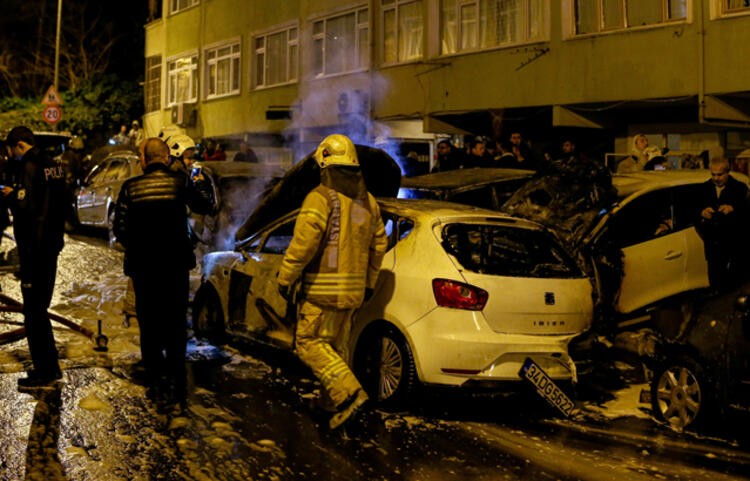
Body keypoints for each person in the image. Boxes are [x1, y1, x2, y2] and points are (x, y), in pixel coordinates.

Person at [277, 133, 387, 430]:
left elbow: (304, 244)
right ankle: (331, 403)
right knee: (336, 350)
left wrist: (285, 278)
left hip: (322, 292)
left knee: (310, 344)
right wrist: (368, 284)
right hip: (353, 293)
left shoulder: (320, 198)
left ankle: (351, 396)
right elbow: (379, 245)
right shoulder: (369, 203)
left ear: (325, 166)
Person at [113, 138, 214, 409]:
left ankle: (156, 383)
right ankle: (178, 384)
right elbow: (206, 205)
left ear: (145, 159)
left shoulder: (130, 188)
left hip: (144, 268)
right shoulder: (181, 183)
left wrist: (140, 247)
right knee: (175, 322)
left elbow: (120, 229)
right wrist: (201, 181)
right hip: (175, 265)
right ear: (167, 158)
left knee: (149, 324)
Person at [3, 126, 67, 388]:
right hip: (51, 246)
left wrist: (11, 196)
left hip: (34, 248)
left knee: (33, 312)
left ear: (19, 146)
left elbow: (28, 206)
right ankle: (50, 367)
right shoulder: (55, 165)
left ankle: (46, 370)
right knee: (40, 308)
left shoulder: (30, 167)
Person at [696, 156, 749, 292]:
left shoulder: (740, 188)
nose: (716, 178)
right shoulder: (704, 188)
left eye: (720, 174)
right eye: (713, 174)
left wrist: (734, 208)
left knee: (734, 284)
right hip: (712, 245)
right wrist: (701, 212)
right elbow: (691, 209)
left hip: (734, 245)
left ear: (727, 172)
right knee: (715, 282)